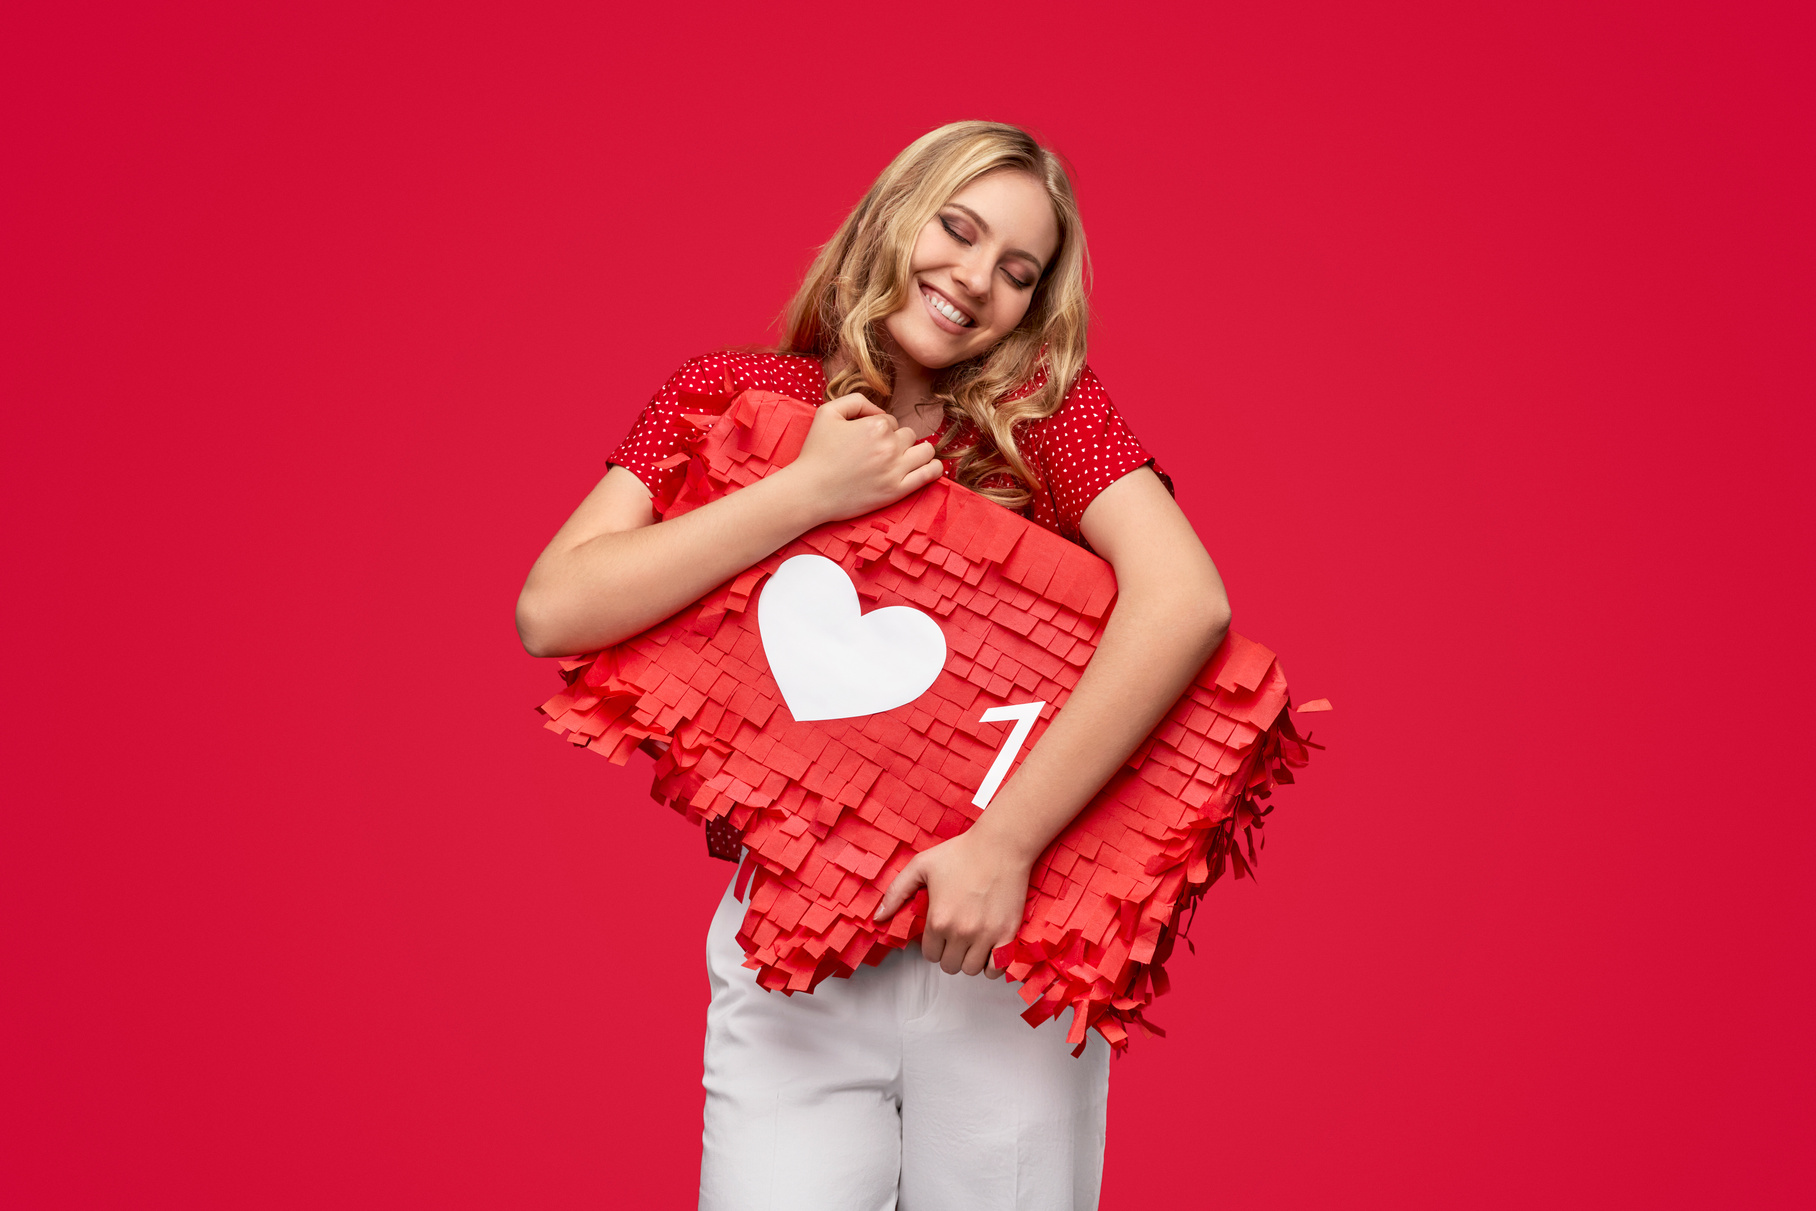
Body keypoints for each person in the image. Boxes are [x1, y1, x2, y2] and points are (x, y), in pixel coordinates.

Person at [516, 121, 1231, 1211]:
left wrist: (1003, 845)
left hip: (999, 944)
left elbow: (1187, 601)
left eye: (1017, 271)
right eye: (957, 229)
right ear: (892, 214)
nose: (974, 279)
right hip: (793, 941)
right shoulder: (729, 391)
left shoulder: (1045, 418)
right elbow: (553, 606)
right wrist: (809, 491)